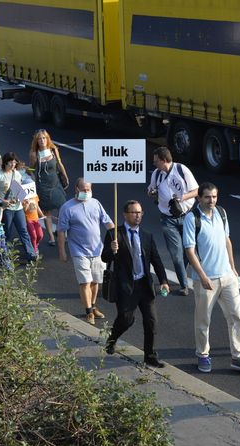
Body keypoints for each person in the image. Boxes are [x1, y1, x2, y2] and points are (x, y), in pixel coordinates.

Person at [183, 182, 240, 373]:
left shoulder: (221, 213)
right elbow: (189, 250)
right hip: (206, 280)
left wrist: (233, 268)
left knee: (236, 317)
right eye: (207, 197)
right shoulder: (192, 218)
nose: (211, 200)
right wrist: (201, 276)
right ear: (199, 198)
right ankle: (203, 355)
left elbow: (227, 240)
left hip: (227, 277)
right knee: (203, 320)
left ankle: (238, 356)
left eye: (214, 196)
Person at [102, 200, 170, 368]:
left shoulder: (147, 235)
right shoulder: (114, 234)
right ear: (125, 214)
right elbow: (105, 258)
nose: (137, 216)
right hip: (125, 286)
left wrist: (163, 281)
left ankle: (150, 355)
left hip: (144, 285)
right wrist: (112, 249)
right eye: (134, 212)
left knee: (151, 321)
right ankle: (112, 339)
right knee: (126, 319)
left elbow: (156, 260)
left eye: (140, 212)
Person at [58, 179, 114, 325]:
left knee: (95, 281)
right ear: (76, 189)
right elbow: (61, 232)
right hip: (79, 251)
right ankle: (88, 311)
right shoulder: (67, 207)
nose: (86, 192)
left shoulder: (96, 203)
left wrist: (116, 236)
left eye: (88, 189)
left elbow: (107, 222)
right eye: (83, 189)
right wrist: (62, 251)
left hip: (97, 250)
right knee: (85, 282)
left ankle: (93, 306)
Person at [149, 146, 198, 295]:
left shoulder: (181, 170)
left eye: (156, 161)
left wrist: (181, 198)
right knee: (176, 255)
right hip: (168, 219)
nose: (154, 163)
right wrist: (152, 193)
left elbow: (197, 191)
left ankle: (181, 272)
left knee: (189, 251)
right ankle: (184, 285)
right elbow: (150, 190)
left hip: (187, 216)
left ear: (164, 160)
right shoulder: (157, 174)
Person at [0, 152, 37, 262]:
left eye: (15, 162)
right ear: (5, 162)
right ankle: (3, 254)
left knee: (23, 230)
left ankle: (31, 253)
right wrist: (3, 201)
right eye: (11, 162)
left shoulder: (17, 174)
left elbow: (18, 189)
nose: (13, 164)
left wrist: (25, 200)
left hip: (18, 207)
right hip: (6, 209)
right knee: (7, 232)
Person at [28, 129, 68, 246]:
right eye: (39, 139)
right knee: (47, 212)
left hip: (55, 183)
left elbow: (60, 163)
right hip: (42, 185)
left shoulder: (53, 149)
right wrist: (30, 175)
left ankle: (60, 232)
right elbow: (31, 168)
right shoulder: (34, 153)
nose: (42, 140)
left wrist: (65, 176)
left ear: (47, 139)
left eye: (44, 138)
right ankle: (51, 237)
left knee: (62, 208)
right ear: (36, 140)